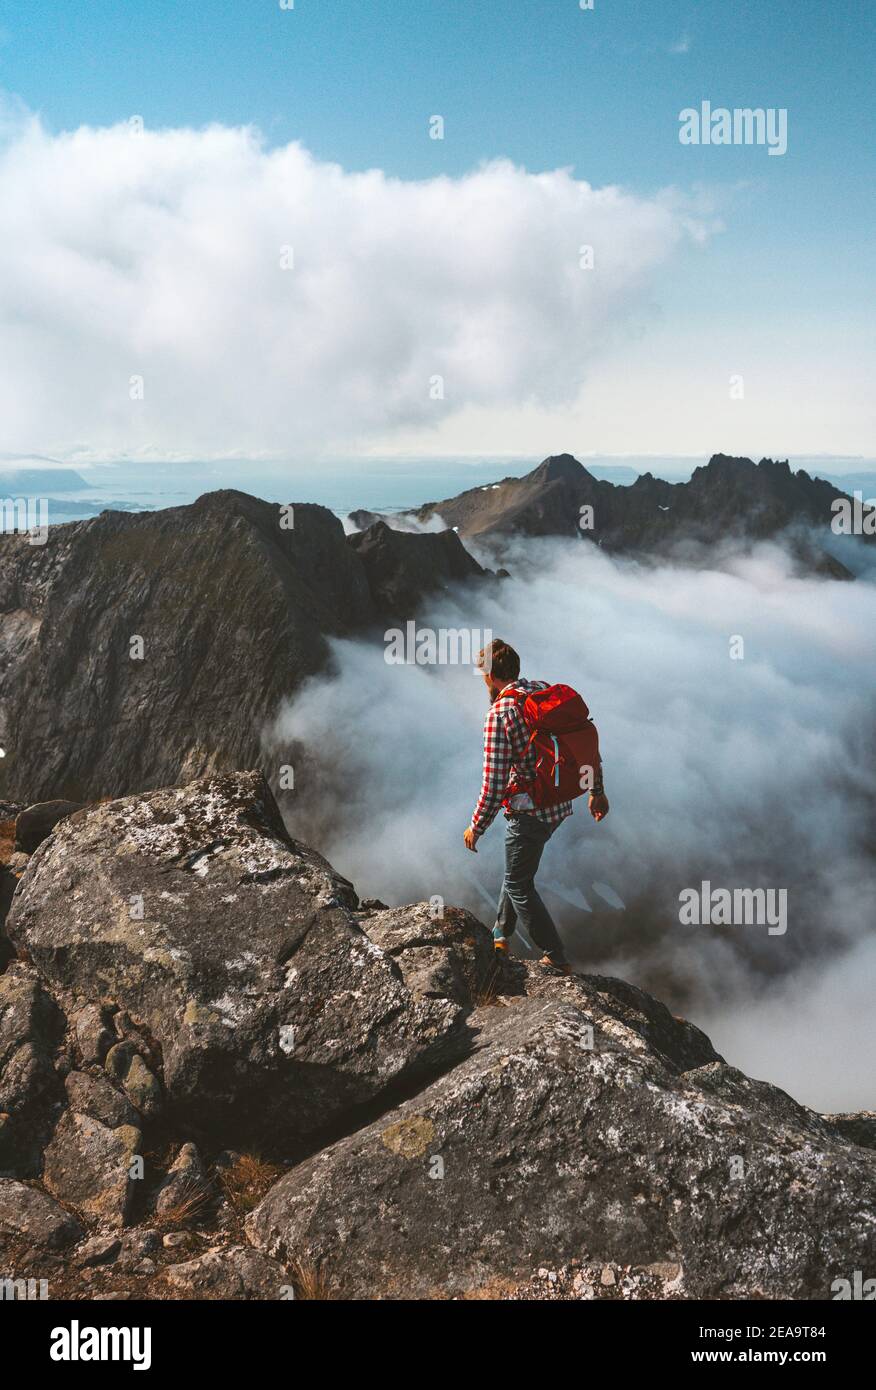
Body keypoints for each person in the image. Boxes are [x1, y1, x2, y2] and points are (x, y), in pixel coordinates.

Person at [463, 638, 609, 974]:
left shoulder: (498, 715)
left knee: (518, 883)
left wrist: (477, 826)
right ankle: (501, 933)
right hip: (559, 805)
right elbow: (583, 746)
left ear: (488, 676)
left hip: (531, 811)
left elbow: (494, 784)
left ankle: (555, 956)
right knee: (518, 869)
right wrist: (596, 791)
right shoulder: (543, 692)